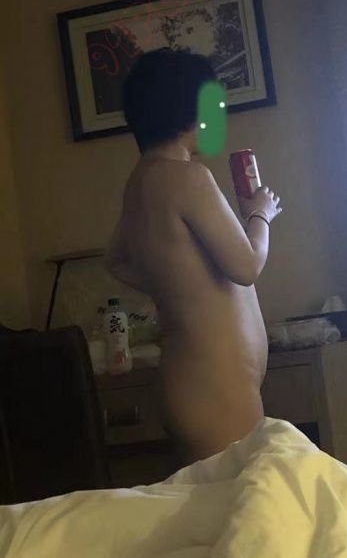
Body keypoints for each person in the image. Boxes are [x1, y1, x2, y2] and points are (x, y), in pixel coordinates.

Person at [105, 47, 282, 461]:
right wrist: (260, 214)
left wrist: (177, 283)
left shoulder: (141, 181)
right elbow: (247, 266)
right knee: (250, 494)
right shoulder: (189, 177)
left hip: (188, 382)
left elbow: (116, 259)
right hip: (216, 388)